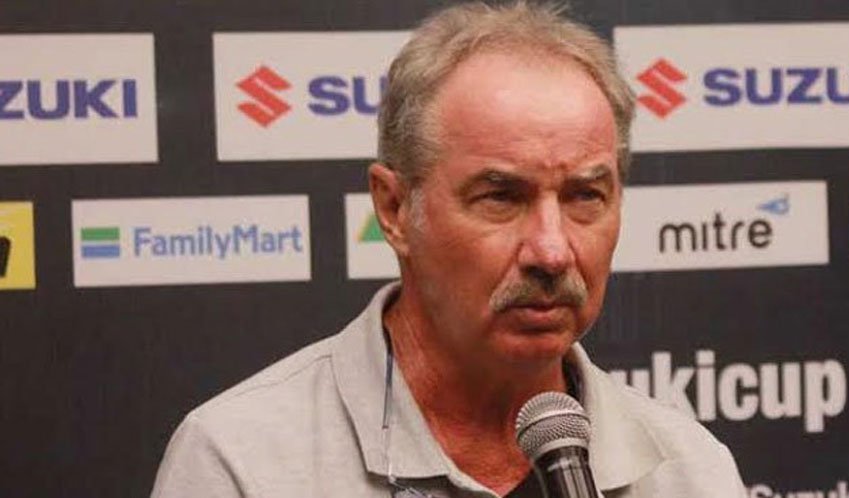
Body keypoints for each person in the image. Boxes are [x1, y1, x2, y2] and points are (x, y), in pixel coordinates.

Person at [151, 2, 746, 497]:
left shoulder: (690, 472)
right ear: (393, 209)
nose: (552, 251)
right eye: (500, 197)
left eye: (584, 196)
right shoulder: (242, 463)